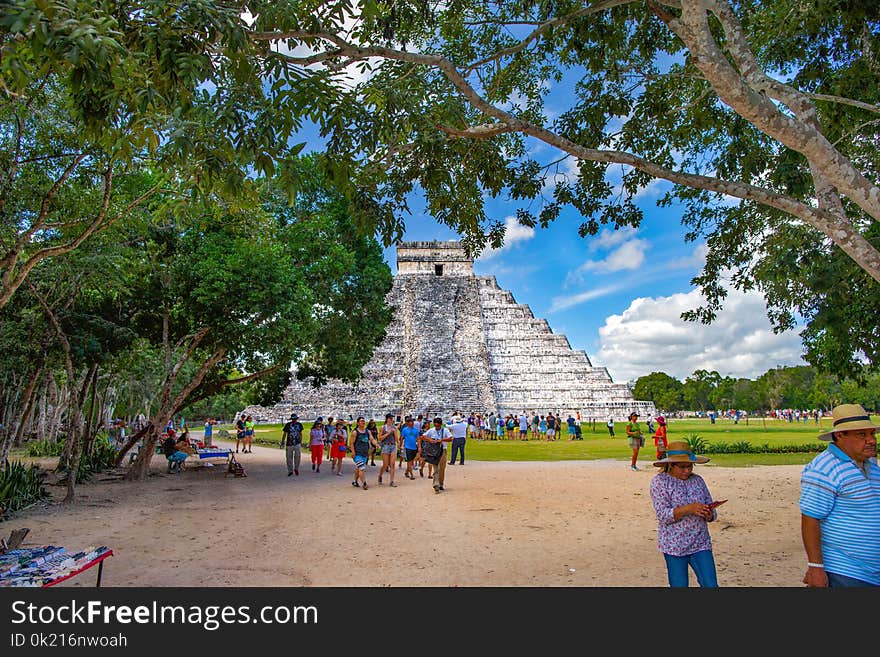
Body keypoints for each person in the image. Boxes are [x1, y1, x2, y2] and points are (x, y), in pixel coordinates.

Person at [800, 403, 880, 587]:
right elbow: (810, 519)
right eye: (862, 435)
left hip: (872, 571)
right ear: (840, 435)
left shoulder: (871, 465)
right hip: (844, 570)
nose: (871, 440)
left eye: (872, 433)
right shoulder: (823, 469)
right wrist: (815, 567)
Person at [649, 441, 720, 587]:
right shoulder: (660, 482)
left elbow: (712, 511)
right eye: (682, 467)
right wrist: (689, 509)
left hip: (700, 542)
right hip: (674, 545)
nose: (687, 471)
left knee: (710, 584)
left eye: (689, 466)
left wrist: (709, 514)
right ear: (670, 465)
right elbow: (663, 515)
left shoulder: (697, 480)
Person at [420, 416, 453, 493]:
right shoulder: (431, 431)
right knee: (436, 468)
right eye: (435, 425)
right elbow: (423, 437)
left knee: (442, 468)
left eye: (438, 425)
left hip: (443, 450)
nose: (436, 427)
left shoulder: (445, 430)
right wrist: (430, 440)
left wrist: (442, 440)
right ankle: (436, 485)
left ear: (441, 424)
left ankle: (440, 484)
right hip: (434, 451)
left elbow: (451, 438)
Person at [350, 416, 379, 489]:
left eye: (364, 421)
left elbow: (372, 439)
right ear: (358, 423)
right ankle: (364, 483)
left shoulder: (367, 431)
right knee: (362, 468)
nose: (363, 422)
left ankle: (355, 481)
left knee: (359, 468)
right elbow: (351, 443)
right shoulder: (355, 432)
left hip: (365, 454)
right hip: (357, 454)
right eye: (361, 421)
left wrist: (376, 444)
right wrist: (353, 452)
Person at [377, 413, 399, 487]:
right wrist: (388, 433)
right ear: (387, 419)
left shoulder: (394, 428)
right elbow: (379, 438)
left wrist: (395, 433)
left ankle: (392, 481)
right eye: (390, 418)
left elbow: (396, 439)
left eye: (392, 419)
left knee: (392, 464)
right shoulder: (383, 427)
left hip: (393, 446)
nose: (391, 420)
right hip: (385, 446)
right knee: (385, 464)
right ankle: (380, 475)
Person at [400, 415, 421, 480]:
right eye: (411, 422)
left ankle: (406, 472)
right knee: (409, 461)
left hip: (414, 447)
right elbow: (401, 438)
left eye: (412, 422)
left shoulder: (416, 430)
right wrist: (401, 445)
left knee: (411, 461)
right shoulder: (405, 430)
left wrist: (419, 447)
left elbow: (418, 439)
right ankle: (411, 474)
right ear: (407, 423)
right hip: (407, 447)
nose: (412, 423)